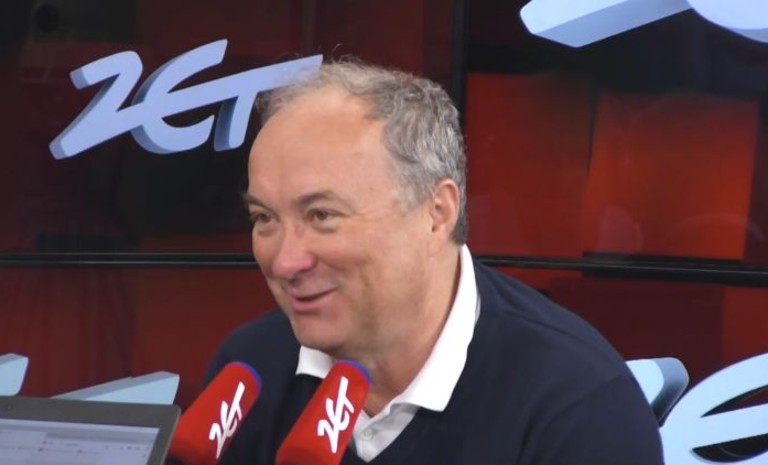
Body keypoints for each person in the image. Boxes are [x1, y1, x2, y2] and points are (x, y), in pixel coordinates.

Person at [206, 60, 664, 465]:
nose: (285, 261)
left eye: (322, 215)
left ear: (436, 213)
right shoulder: (246, 371)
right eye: (264, 218)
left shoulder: (578, 404)